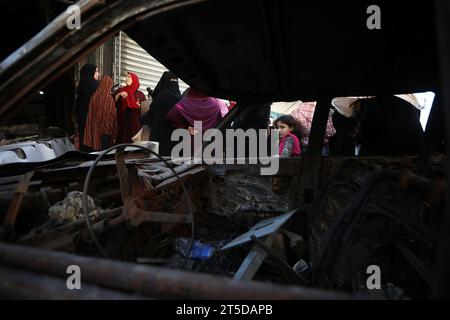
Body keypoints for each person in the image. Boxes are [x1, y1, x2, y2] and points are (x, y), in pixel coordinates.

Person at [141, 72, 181, 156]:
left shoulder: (161, 96)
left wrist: (142, 119)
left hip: (159, 140)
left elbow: (151, 114)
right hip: (176, 141)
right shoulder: (181, 98)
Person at [83, 76, 117, 151]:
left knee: (95, 152)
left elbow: (90, 115)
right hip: (105, 132)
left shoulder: (94, 96)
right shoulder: (109, 98)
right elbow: (112, 115)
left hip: (94, 129)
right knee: (104, 154)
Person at [75, 64, 100, 151]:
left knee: (84, 143)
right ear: (90, 72)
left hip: (82, 118)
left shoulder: (81, 85)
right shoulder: (96, 85)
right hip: (93, 119)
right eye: (96, 71)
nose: (98, 74)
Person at [115, 72, 145, 144]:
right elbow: (114, 100)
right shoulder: (121, 90)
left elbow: (144, 109)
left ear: (134, 80)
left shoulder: (140, 94)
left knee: (133, 146)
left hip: (134, 124)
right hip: (122, 122)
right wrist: (119, 94)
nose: (126, 79)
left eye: (129, 77)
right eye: (126, 77)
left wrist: (139, 105)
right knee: (121, 143)